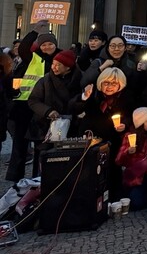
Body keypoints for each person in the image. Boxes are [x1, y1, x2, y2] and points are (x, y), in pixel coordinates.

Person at [69, 67, 133, 200]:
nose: (109, 86)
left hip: (113, 139)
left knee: (113, 168)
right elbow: (73, 107)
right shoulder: (92, 94)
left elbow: (129, 116)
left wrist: (124, 125)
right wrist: (84, 98)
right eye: (106, 83)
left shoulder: (126, 97)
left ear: (120, 84)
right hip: (92, 137)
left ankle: (113, 197)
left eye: (114, 83)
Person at [6, 24, 59, 182]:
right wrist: (35, 31)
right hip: (24, 106)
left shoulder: (60, 59)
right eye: (44, 44)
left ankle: (38, 178)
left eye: (50, 44)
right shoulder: (33, 56)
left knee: (41, 146)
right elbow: (23, 48)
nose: (47, 47)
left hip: (44, 109)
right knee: (20, 145)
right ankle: (16, 179)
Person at [27, 49, 82, 170]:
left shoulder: (80, 80)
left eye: (58, 65)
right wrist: (48, 111)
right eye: (53, 64)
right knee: (43, 162)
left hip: (71, 127)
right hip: (46, 127)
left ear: (68, 67)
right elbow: (33, 100)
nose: (54, 67)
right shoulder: (45, 80)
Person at [115, 107, 147, 211]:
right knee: (137, 203)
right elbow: (119, 160)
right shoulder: (130, 136)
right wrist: (127, 152)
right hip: (135, 178)